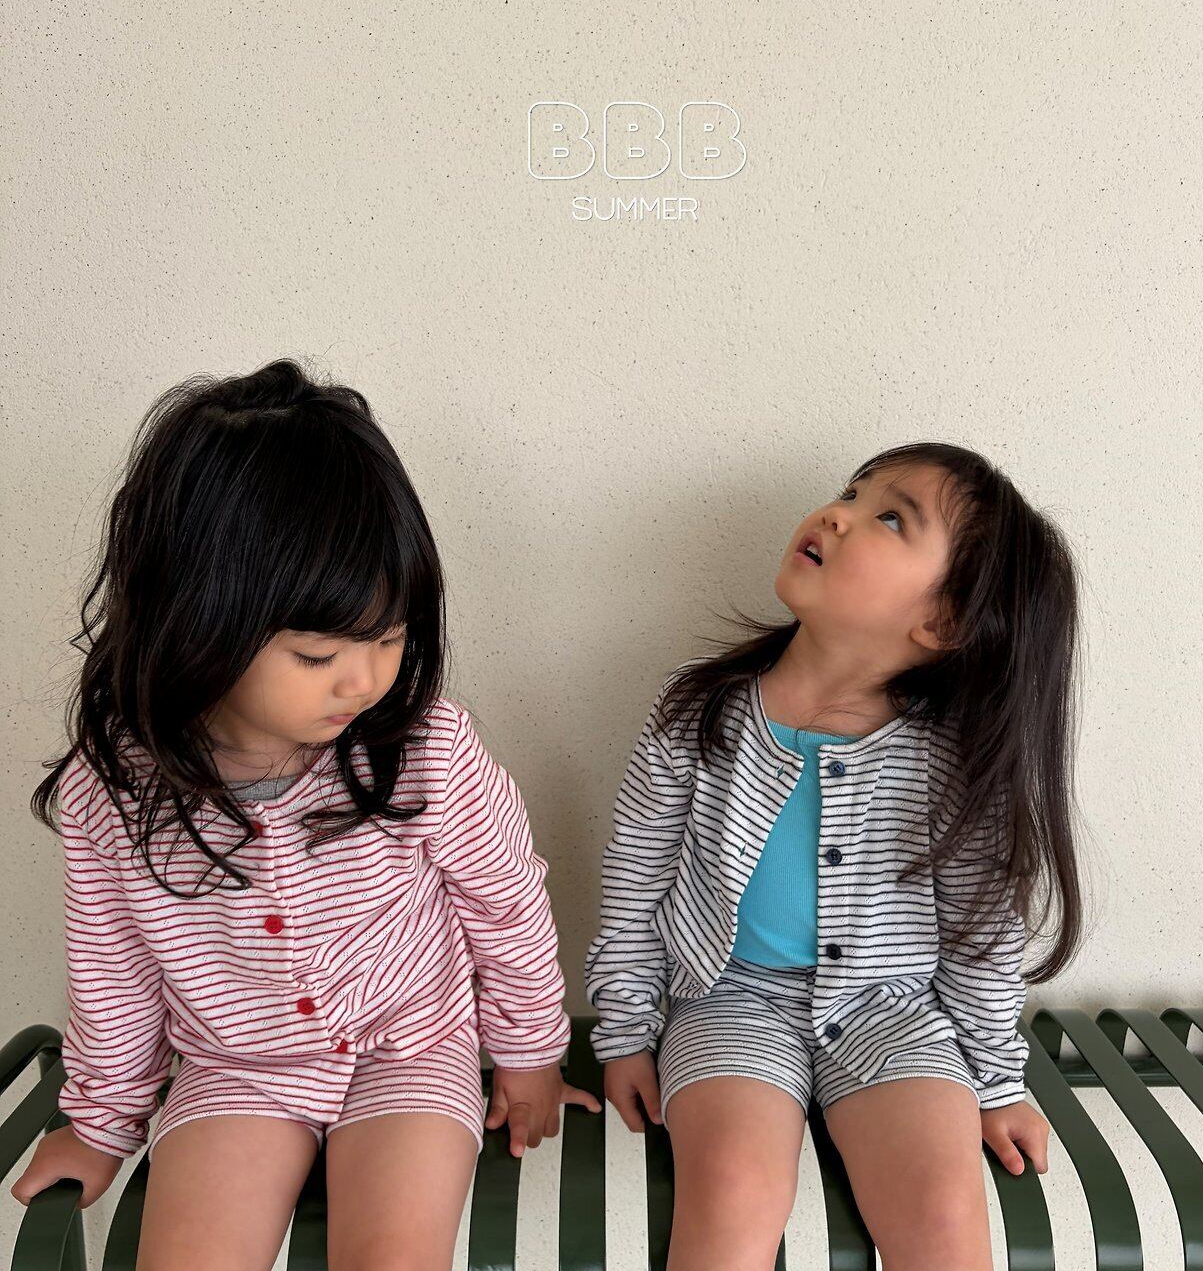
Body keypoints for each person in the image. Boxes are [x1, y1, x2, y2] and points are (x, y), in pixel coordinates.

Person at [11, 359, 600, 1270]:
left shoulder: (425, 749)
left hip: (412, 1045)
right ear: (195, 622)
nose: (365, 680)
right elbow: (113, 971)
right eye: (319, 655)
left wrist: (528, 1053)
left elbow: (505, 902)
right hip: (234, 1067)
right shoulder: (115, 790)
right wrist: (99, 1125)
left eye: (391, 637)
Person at [585, 442, 1085, 1270]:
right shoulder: (699, 711)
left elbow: (980, 937)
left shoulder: (956, 761)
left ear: (943, 622)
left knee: (943, 1205)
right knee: (732, 1185)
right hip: (728, 1001)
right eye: (851, 493)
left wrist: (996, 1083)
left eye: (889, 517)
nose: (839, 514)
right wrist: (627, 1033)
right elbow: (635, 882)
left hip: (893, 1010)